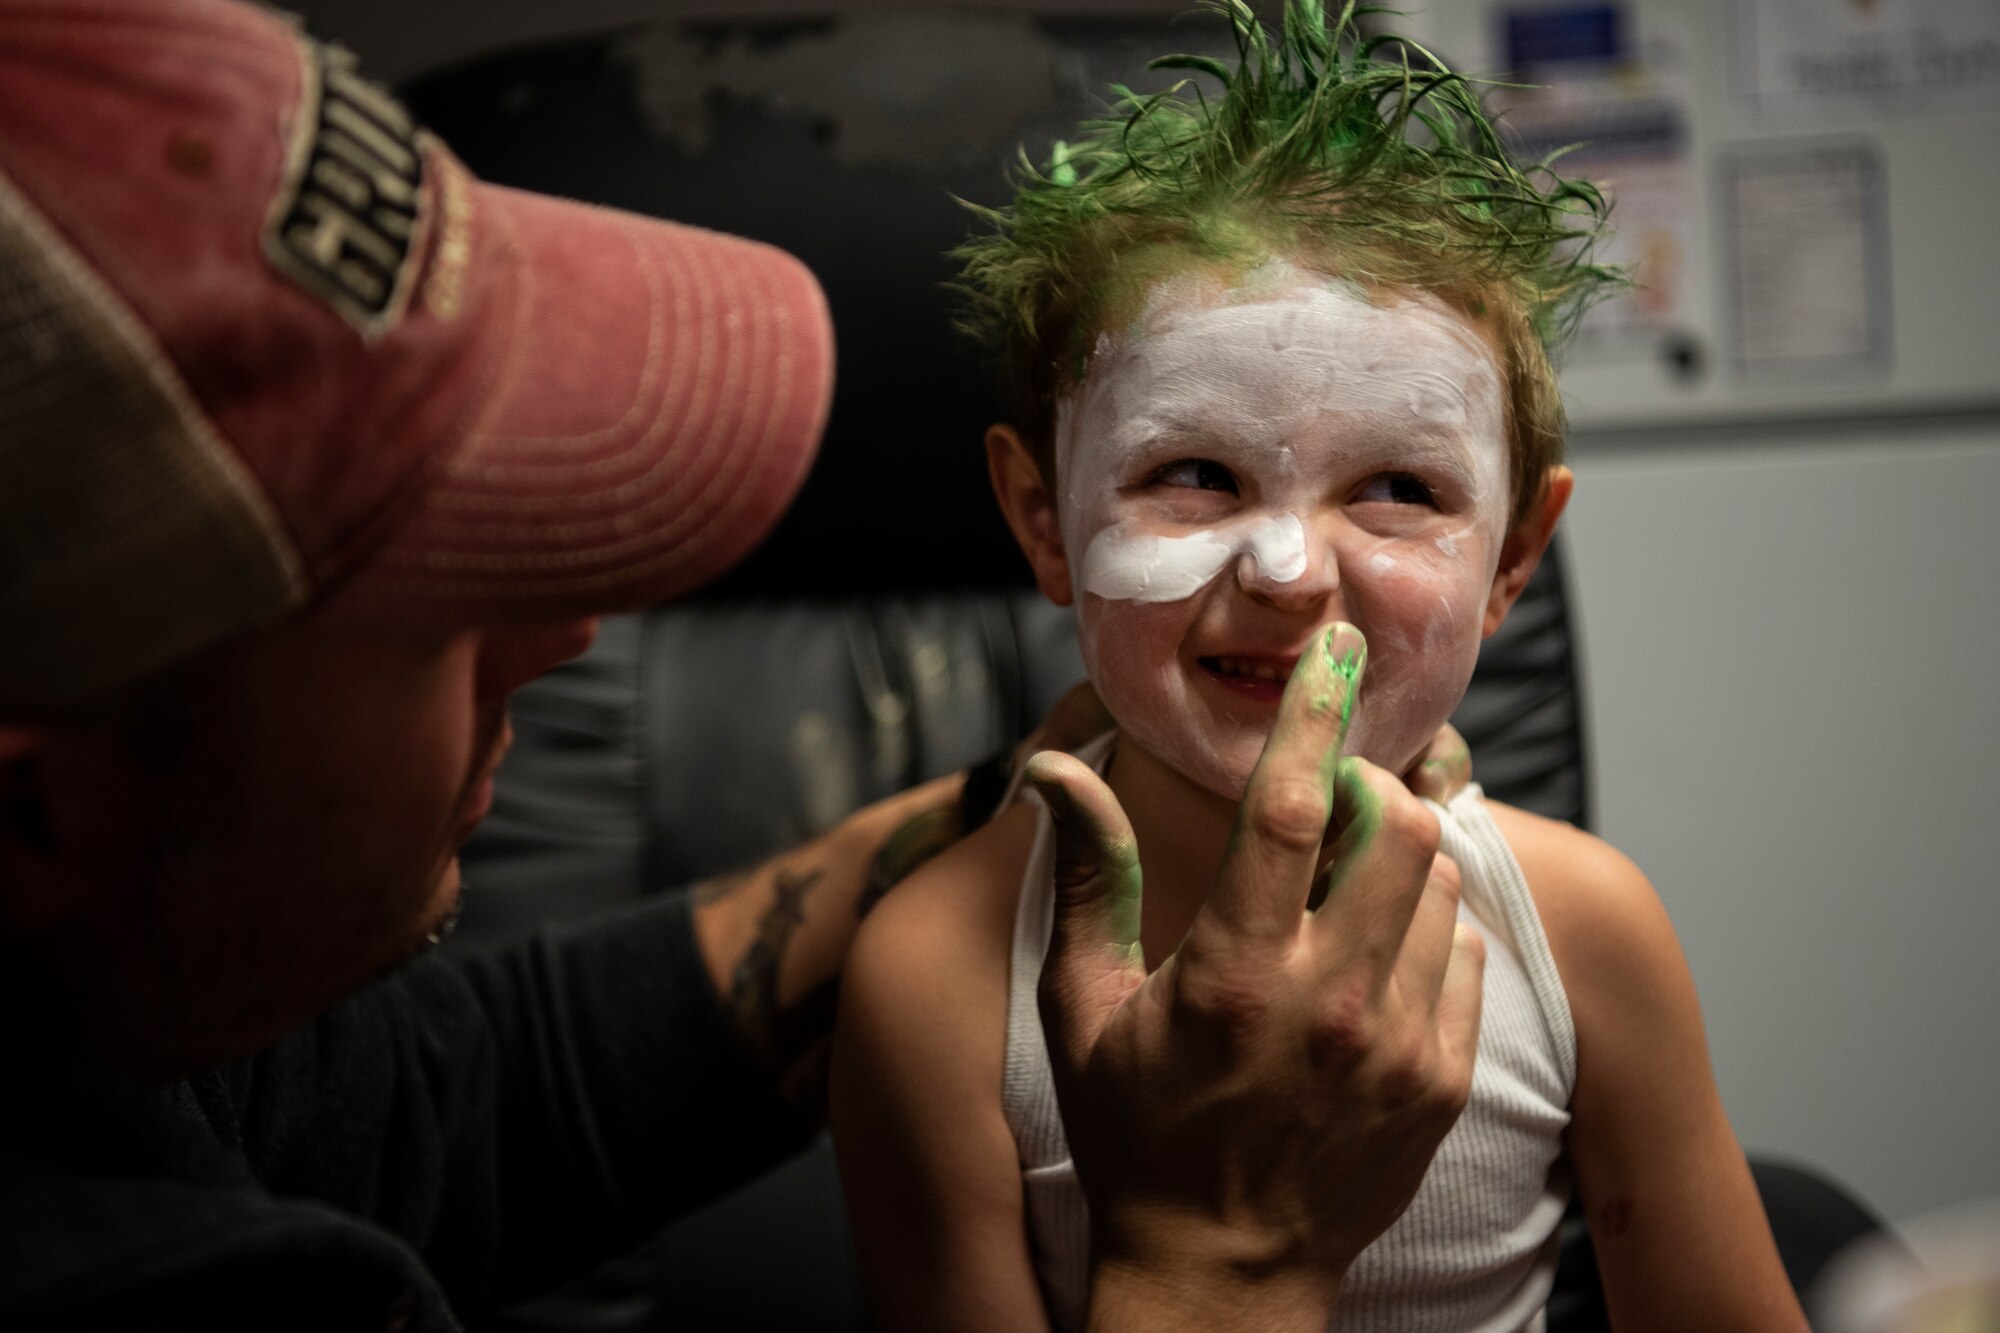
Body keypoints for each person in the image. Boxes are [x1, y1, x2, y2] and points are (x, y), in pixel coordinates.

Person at [1, 0, 1494, 1328]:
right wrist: (1218, 1261)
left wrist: (1058, 798)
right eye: (433, 597)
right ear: (35, 812)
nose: (567, 633)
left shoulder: (118, 1014)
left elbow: (449, 1101)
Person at [829, 4, 1811, 1330]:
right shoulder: (932, 982)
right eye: (1194, 473)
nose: (1291, 570)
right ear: (1044, 520)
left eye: (1399, 486)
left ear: (1513, 560)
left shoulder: (1585, 933)